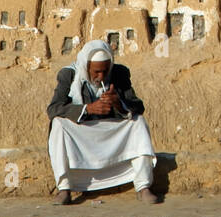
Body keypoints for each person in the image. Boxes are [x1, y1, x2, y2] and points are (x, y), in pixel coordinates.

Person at [47, 38, 158, 204]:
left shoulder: (119, 73)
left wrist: (118, 103)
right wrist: (88, 109)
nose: (101, 76)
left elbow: (137, 106)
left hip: (110, 131)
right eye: (96, 72)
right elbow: (54, 108)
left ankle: (143, 187)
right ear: (86, 66)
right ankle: (64, 188)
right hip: (82, 131)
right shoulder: (68, 74)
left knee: (138, 123)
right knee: (58, 124)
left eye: (105, 71)